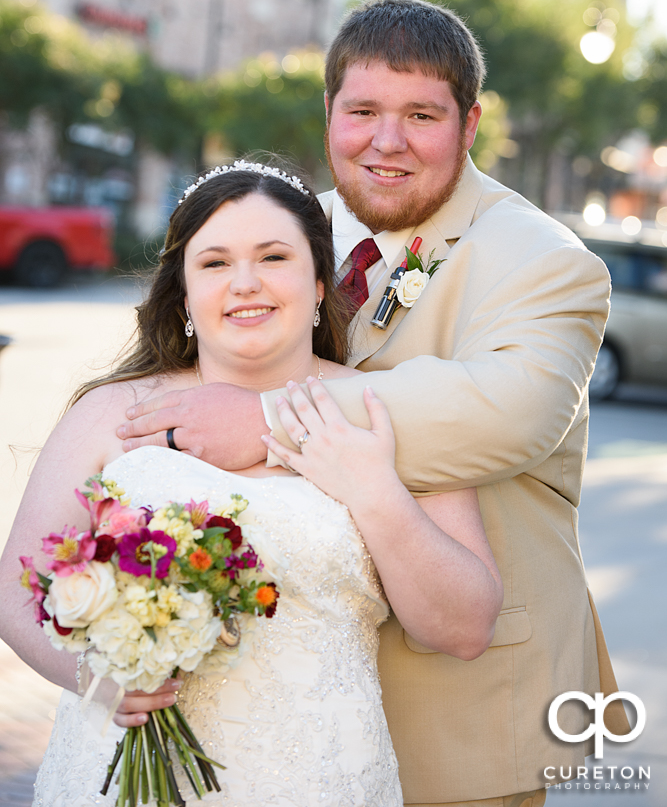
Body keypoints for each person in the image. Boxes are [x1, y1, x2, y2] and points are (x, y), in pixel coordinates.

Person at [117, 0, 628, 807]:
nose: (385, 142)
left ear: (469, 124)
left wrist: (262, 420)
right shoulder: (286, 227)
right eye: (362, 111)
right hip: (271, 691)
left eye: (421, 114)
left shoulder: (542, 259)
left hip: (461, 699)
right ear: (328, 114)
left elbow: (509, 411)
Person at [0, 160, 503, 807]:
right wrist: (102, 680)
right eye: (213, 263)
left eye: (273, 256)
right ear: (182, 293)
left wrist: (372, 489)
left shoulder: (389, 409)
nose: (244, 283)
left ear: (319, 282)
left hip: (318, 776)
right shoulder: (111, 414)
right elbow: (16, 591)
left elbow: (463, 628)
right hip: (121, 774)